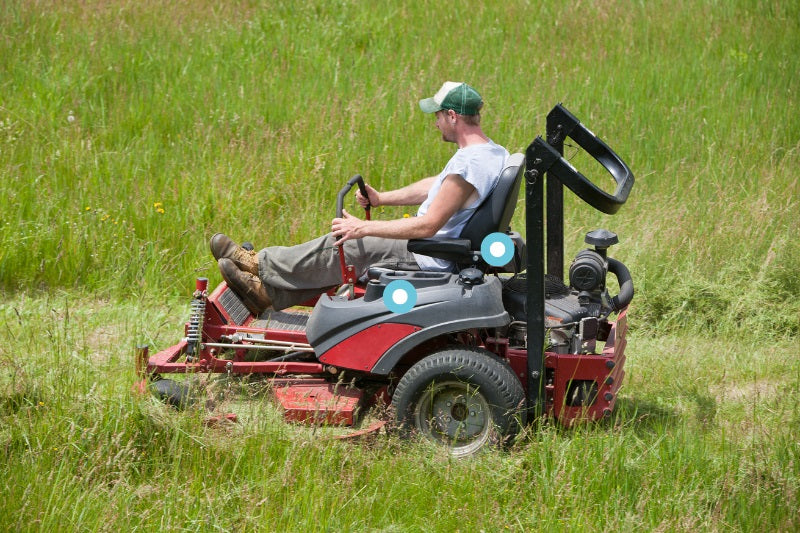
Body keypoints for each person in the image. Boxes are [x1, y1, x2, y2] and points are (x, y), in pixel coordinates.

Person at [211, 81, 510, 315]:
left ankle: (258, 264)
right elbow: (439, 187)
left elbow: (428, 226)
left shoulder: (470, 163)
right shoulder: (490, 152)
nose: (435, 123)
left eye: (437, 116)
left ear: (452, 116)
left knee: (349, 243)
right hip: (437, 249)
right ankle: (265, 294)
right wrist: (382, 199)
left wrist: (363, 229)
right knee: (346, 255)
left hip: (428, 255)